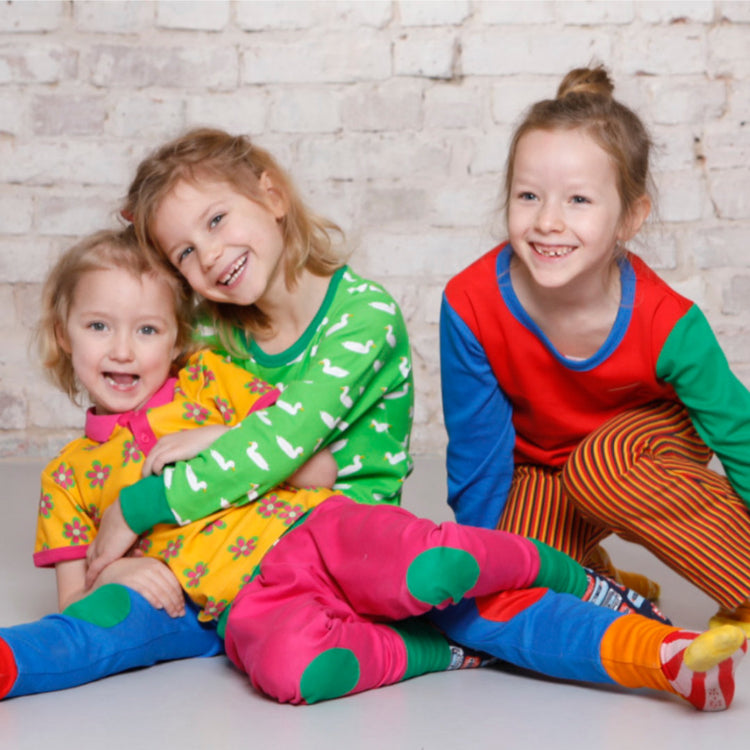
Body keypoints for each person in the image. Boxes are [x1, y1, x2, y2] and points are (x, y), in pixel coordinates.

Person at [76, 128, 746, 711]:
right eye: (183, 253)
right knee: (285, 663)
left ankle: (661, 653)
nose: (209, 254)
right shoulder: (211, 337)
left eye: (218, 220)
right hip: (259, 557)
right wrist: (113, 563)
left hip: (355, 537)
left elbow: (284, 443)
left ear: (272, 196)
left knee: (480, 609)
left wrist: (141, 507)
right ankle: (440, 645)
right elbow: (139, 430)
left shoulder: (360, 317)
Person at [440, 64, 750, 636]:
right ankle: (601, 583)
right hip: (546, 463)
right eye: (528, 196)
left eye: (578, 199)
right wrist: (483, 562)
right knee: (514, 585)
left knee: (601, 467)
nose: (547, 221)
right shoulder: (470, 304)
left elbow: (738, 432)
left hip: (649, 448)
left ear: (629, 218)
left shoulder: (667, 322)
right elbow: (477, 451)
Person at [0, 228, 340, 699]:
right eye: (98, 326)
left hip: (285, 563)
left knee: (364, 567)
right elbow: (73, 601)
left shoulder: (209, 383)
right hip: (180, 611)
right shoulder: (65, 475)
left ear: (177, 339)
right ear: (64, 334)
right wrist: (114, 573)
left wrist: (224, 437)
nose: (122, 351)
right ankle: (12, 661)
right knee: (99, 628)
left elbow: (321, 471)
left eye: (147, 330)